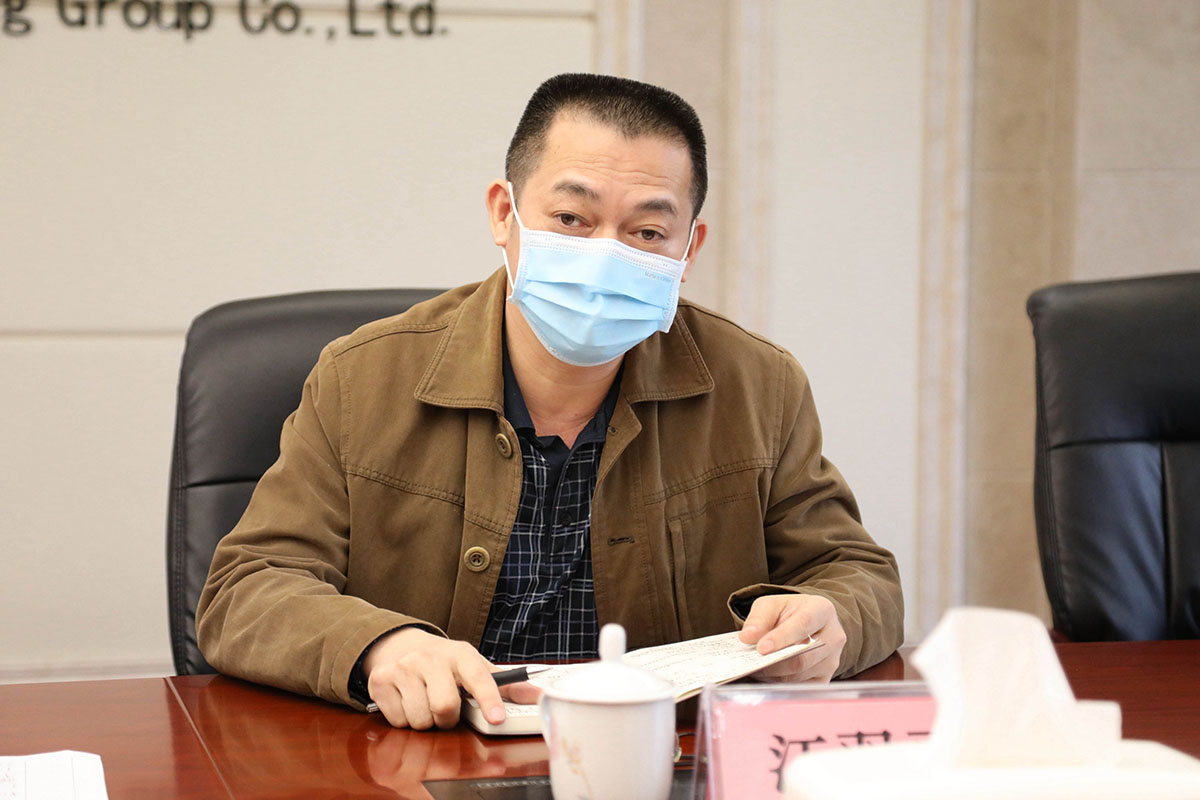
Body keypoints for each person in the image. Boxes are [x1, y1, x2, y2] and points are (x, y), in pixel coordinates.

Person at [196, 73, 904, 731]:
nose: (605, 255)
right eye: (571, 218)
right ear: (504, 214)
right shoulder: (361, 378)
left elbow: (859, 575)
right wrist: (380, 645)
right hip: (426, 759)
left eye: (647, 233)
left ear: (688, 251)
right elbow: (246, 590)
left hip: (657, 755)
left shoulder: (758, 386)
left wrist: (829, 619)